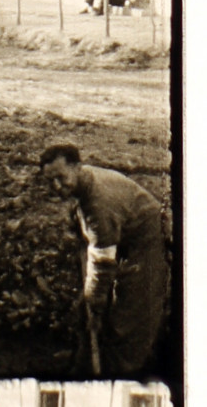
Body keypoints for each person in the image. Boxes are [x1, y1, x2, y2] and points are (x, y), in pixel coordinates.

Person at [40, 143, 167, 375]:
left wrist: (93, 301)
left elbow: (102, 265)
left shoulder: (99, 204)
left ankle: (122, 375)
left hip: (146, 242)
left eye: (60, 178)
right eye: (49, 181)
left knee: (130, 320)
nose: (56, 187)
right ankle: (86, 363)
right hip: (121, 238)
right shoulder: (85, 181)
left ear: (76, 166)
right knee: (101, 310)